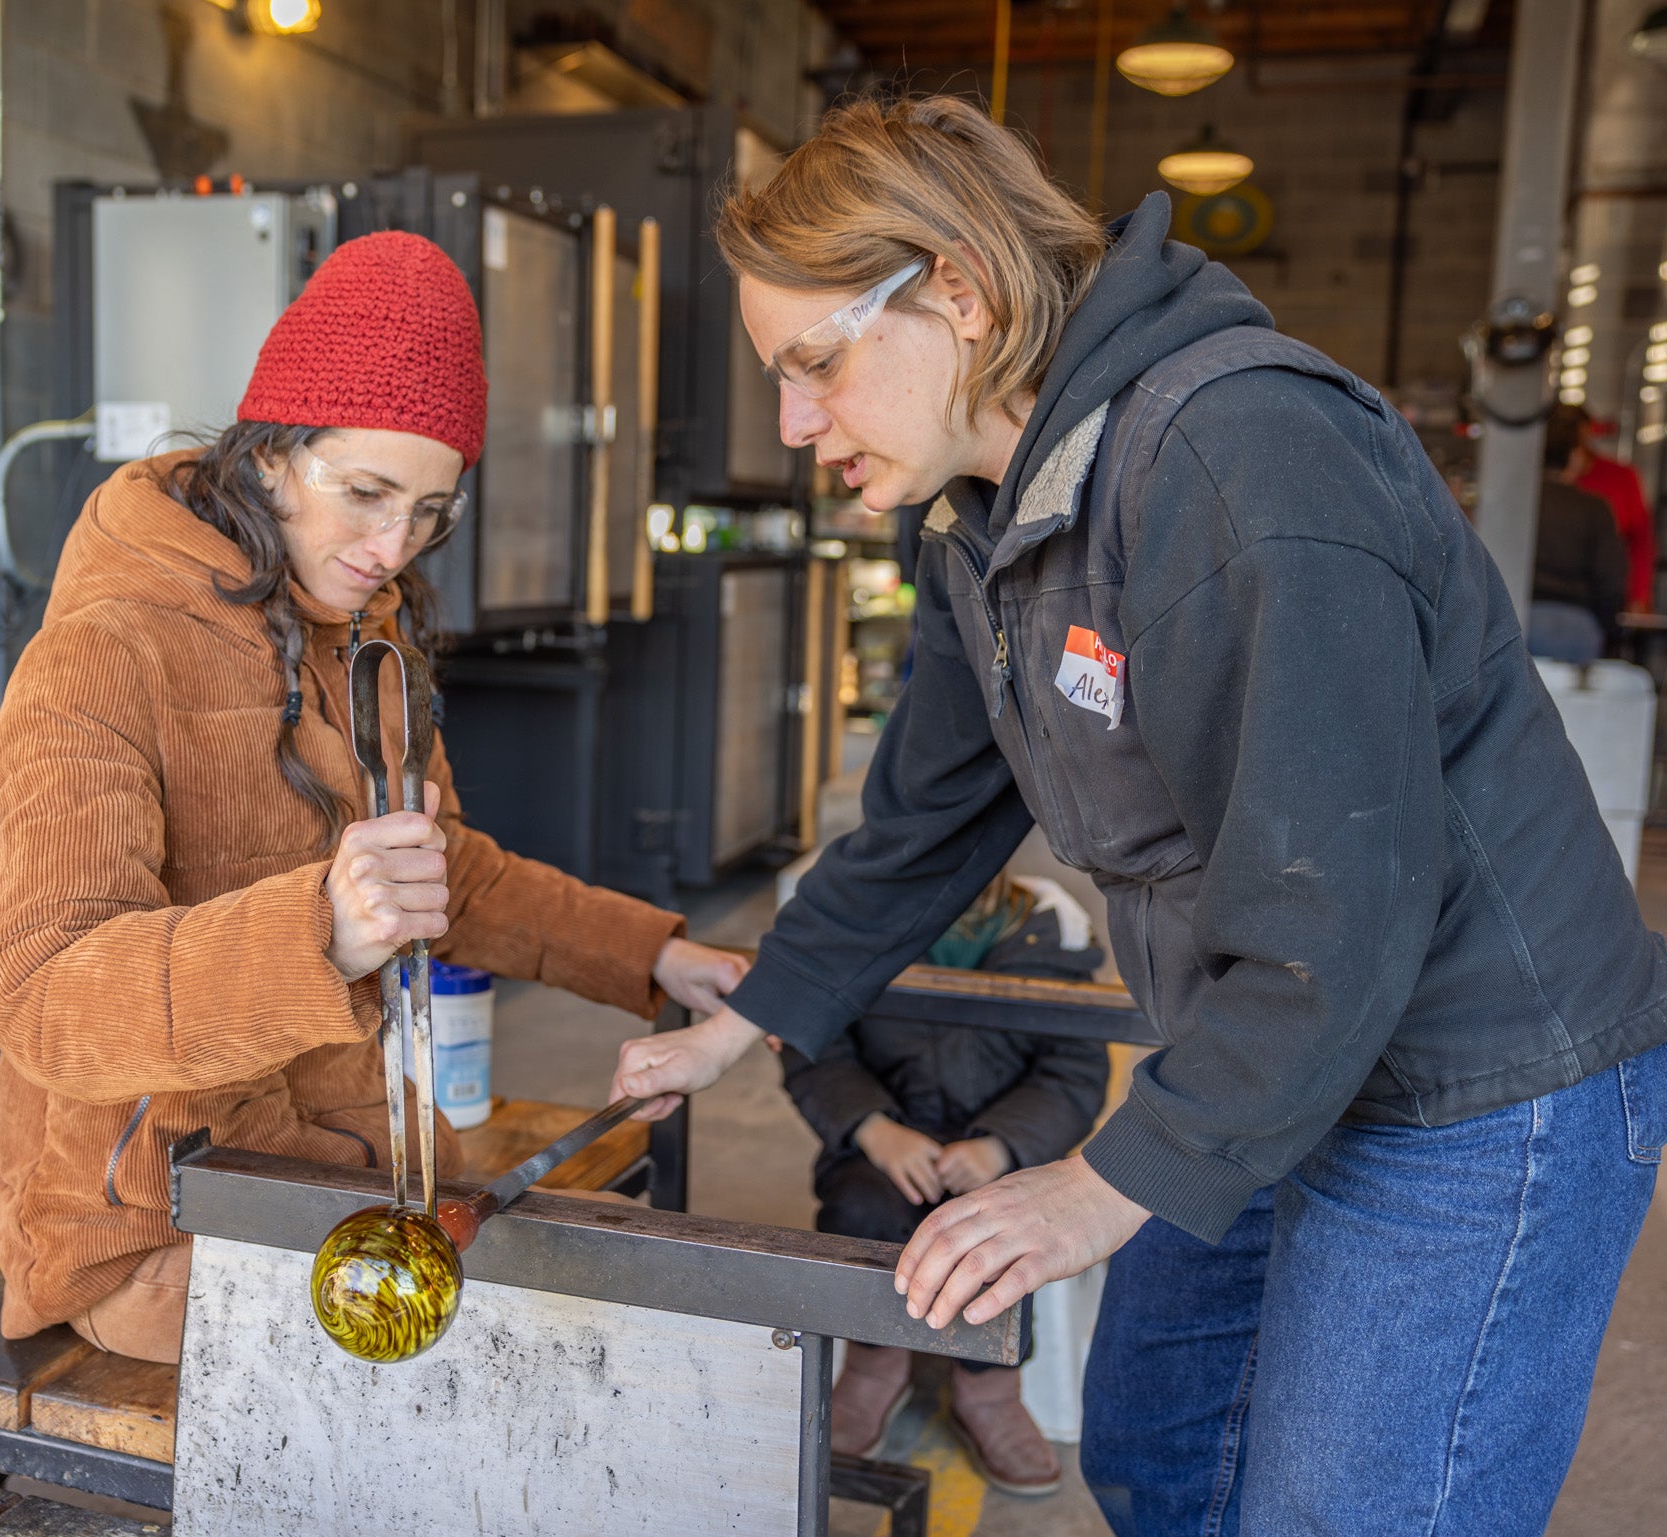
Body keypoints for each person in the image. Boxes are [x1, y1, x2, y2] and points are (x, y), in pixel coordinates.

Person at [609, 95, 1667, 1535]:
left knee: (1349, 1511)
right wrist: (749, 1018)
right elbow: (924, 819)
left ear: (960, 296)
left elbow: (1339, 912)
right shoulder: (979, 519)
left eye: (814, 365)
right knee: (1163, 1440)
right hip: (1275, 1047)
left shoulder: (1240, 461)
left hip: (1470, 1082)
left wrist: (1099, 1185)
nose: (795, 424)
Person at [0, 232, 746, 1365]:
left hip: (355, 1166)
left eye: (432, 509)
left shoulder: (357, 638)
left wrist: (651, 955)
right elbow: (38, 995)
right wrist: (315, 934)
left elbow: (441, 871)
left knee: (613, 1318)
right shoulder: (104, 652)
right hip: (153, 1220)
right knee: (549, 1357)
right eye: (368, 493)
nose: (395, 546)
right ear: (272, 455)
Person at [783, 875, 1108, 1494]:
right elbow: (812, 1044)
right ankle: (875, 1363)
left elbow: (1075, 1068)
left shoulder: (1051, 938)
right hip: (884, 1143)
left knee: (1002, 1225)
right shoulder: (854, 921)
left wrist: (1002, 1145)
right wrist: (873, 1128)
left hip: (1002, 1150)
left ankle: (987, 1384)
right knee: (859, 1208)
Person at [1529, 406, 1627, 662]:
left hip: (1515, 617)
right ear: (1573, 456)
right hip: (1575, 627)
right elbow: (1610, 579)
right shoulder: (1594, 508)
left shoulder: (1516, 502)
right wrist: (1606, 626)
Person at [1561, 404, 1654, 614]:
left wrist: (1639, 595)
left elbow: (1641, 542)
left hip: (1604, 600)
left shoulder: (1621, 477)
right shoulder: (1547, 483)